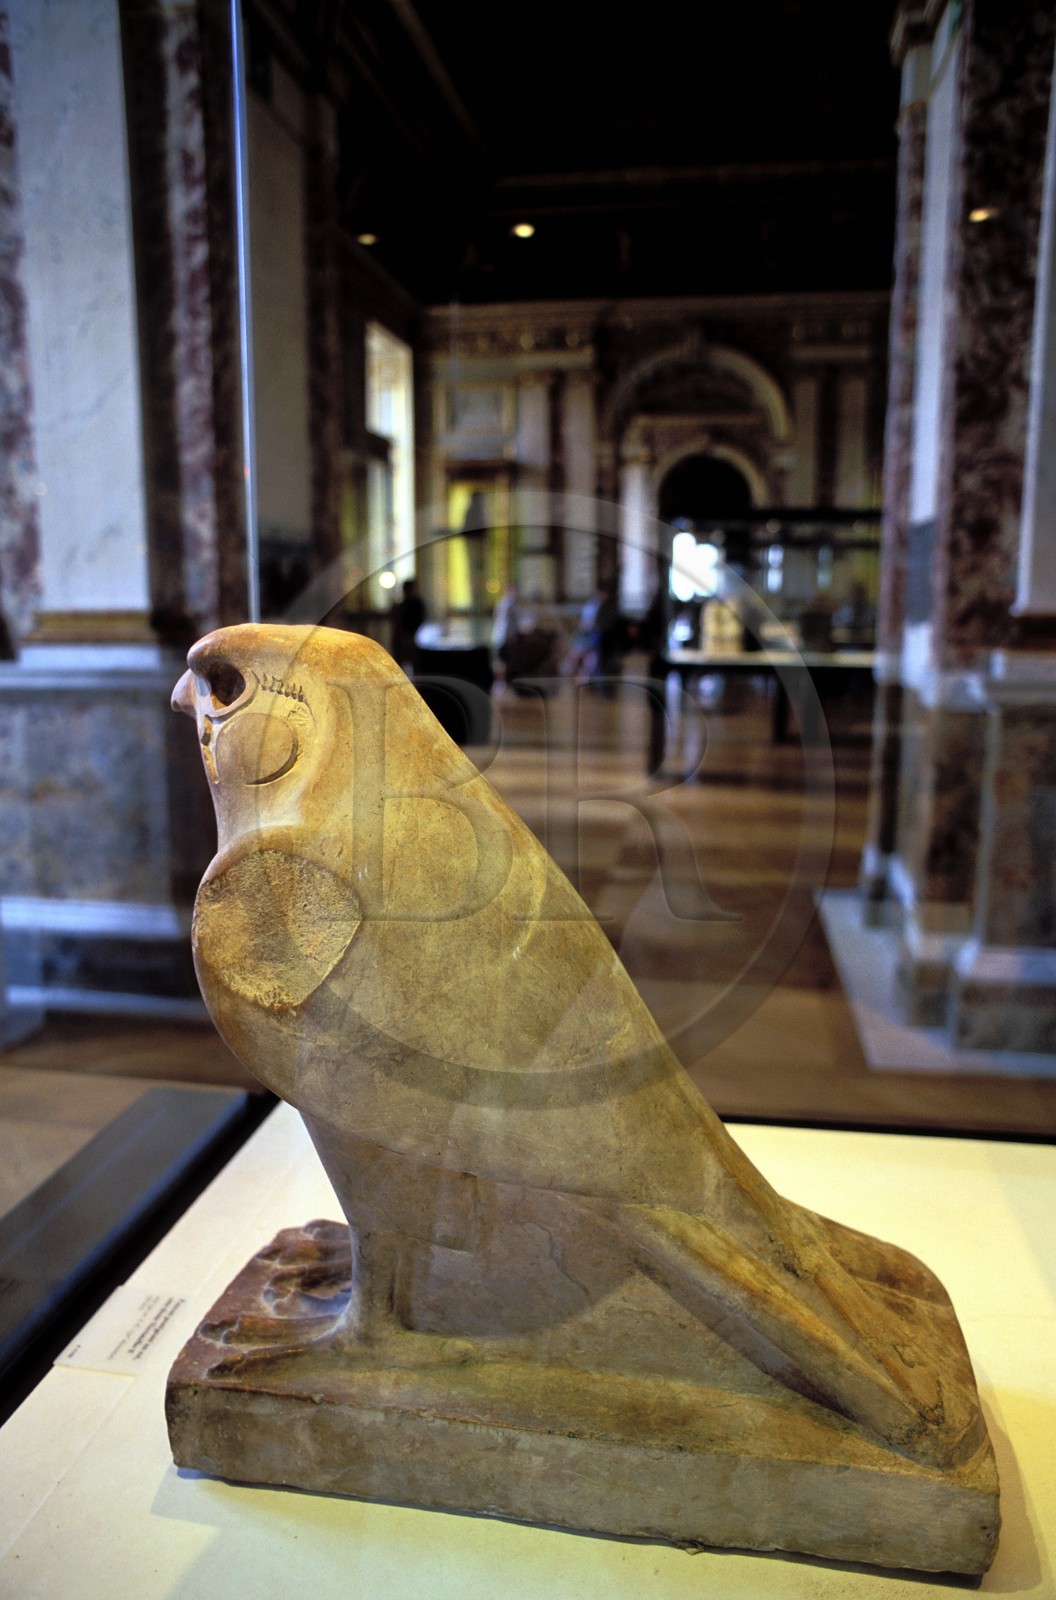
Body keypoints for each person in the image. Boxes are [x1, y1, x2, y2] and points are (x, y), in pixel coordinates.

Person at [390, 578, 426, 673]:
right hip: (410, 635)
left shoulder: (411, 604)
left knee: (409, 663)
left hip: (411, 635)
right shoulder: (410, 604)